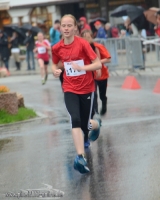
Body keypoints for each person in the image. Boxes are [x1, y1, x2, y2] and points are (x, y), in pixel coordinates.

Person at [52, 14, 102, 174]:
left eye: (69, 25)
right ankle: (80, 157)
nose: (66, 28)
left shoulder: (83, 44)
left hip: (87, 88)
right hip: (69, 88)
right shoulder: (57, 47)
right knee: (75, 119)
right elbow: (54, 63)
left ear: (75, 28)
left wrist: (83, 68)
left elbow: (97, 64)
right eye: (63, 25)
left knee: (86, 125)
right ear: (60, 28)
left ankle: (97, 125)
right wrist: (55, 70)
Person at [81, 30, 111, 116]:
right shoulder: (82, 48)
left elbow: (108, 59)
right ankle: (96, 112)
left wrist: (97, 63)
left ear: (92, 37)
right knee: (93, 94)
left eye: (88, 37)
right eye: (84, 37)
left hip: (102, 74)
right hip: (90, 75)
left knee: (102, 95)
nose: (87, 39)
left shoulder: (98, 46)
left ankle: (104, 102)